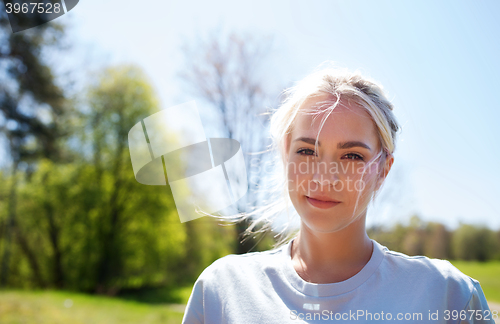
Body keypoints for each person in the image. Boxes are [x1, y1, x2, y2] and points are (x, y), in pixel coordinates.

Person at [181, 67, 496, 323]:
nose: (324, 177)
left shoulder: (446, 295)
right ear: (284, 156)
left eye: (352, 156)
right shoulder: (221, 291)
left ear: (383, 169)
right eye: (306, 151)